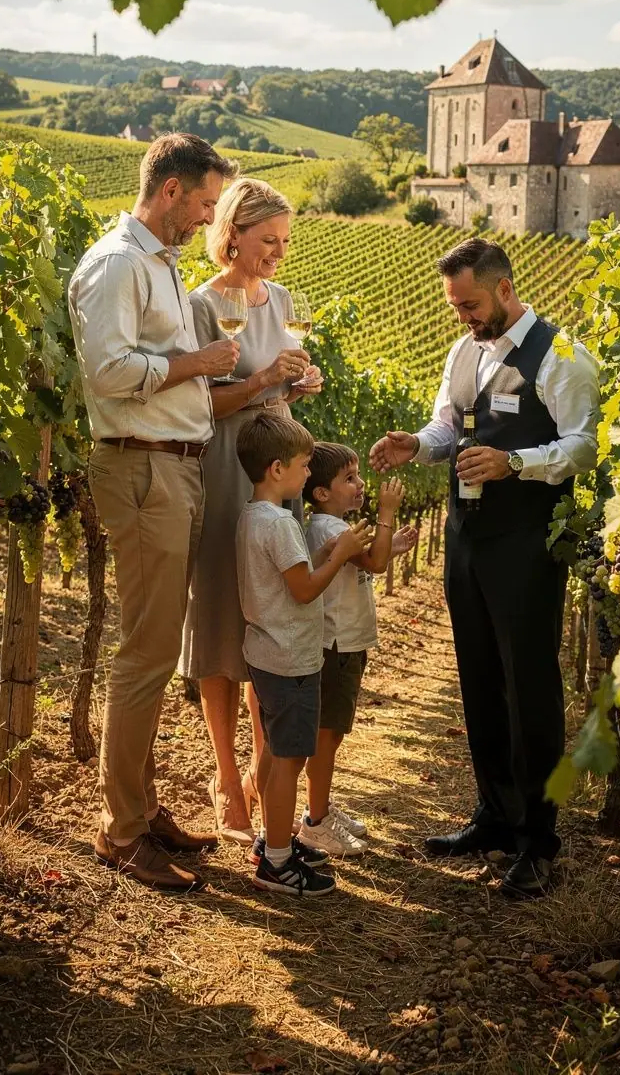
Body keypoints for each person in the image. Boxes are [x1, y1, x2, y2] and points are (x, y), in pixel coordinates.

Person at [370, 237, 599, 899]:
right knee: (478, 678)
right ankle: (496, 816)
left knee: (529, 687)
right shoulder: (463, 351)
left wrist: (516, 463)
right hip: (467, 537)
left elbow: (583, 447)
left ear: (503, 289)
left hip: (526, 541)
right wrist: (418, 443)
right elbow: (451, 428)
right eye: (453, 307)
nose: (461, 318)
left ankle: (538, 839)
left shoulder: (560, 356)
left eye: (468, 304)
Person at [68, 134, 240, 892]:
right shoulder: (116, 265)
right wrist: (199, 365)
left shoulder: (159, 266)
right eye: (205, 203)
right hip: (141, 467)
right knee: (144, 652)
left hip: (173, 467)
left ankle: (141, 807)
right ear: (170, 191)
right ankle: (122, 831)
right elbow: (106, 375)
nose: (209, 219)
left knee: (158, 646)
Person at [179, 178, 323, 844]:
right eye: (269, 240)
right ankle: (225, 778)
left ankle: (265, 774)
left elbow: (282, 392)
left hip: (273, 479)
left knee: (266, 617)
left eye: (285, 242)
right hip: (222, 473)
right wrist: (264, 382)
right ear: (232, 233)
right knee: (218, 620)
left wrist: (299, 382)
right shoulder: (202, 306)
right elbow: (199, 405)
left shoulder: (284, 300)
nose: (278, 253)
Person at [235, 413, 371, 896]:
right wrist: (340, 554)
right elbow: (305, 590)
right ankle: (277, 861)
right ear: (277, 470)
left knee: (276, 751)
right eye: (303, 464)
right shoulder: (281, 525)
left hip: (264, 650)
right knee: (290, 760)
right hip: (290, 657)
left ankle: (270, 842)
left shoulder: (252, 516)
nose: (307, 473)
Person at [301, 445, 418, 856]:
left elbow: (371, 558)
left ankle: (321, 808)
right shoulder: (328, 529)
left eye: (357, 476)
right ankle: (315, 821)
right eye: (348, 478)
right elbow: (375, 564)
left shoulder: (335, 527)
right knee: (326, 735)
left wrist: (393, 545)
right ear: (321, 494)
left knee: (331, 734)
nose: (360, 484)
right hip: (335, 645)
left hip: (346, 643)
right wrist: (387, 512)